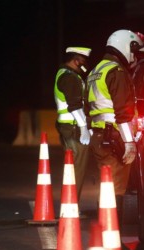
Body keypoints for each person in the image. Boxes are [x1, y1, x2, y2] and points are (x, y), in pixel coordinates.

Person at [85, 29, 144, 250]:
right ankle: (112, 243)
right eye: (134, 50)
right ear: (124, 46)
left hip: (100, 137)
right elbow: (123, 113)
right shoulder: (117, 71)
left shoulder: (96, 70)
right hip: (115, 138)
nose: (134, 56)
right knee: (116, 192)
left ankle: (106, 237)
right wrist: (129, 142)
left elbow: (89, 106)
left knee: (107, 189)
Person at [53, 47, 93, 208]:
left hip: (68, 126)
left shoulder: (64, 74)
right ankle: (71, 206)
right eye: (83, 61)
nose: (85, 65)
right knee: (77, 167)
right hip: (73, 128)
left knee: (72, 166)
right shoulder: (70, 78)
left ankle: (69, 204)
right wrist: (84, 127)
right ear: (76, 60)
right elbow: (75, 106)